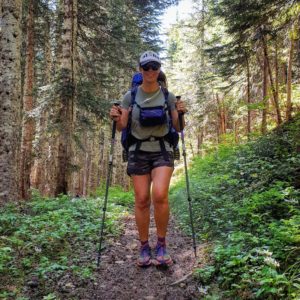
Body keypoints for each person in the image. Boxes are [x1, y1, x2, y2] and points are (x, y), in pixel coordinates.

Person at [110, 50, 187, 267]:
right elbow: (122, 127)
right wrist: (116, 117)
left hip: (162, 148)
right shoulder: (130, 97)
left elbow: (178, 128)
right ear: (140, 70)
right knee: (142, 199)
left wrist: (181, 113)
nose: (151, 71)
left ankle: (161, 244)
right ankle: (144, 246)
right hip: (138, 150)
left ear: (159, 69)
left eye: (155, 66)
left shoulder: (168, 97)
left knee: (160, 194)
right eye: (147, 67)